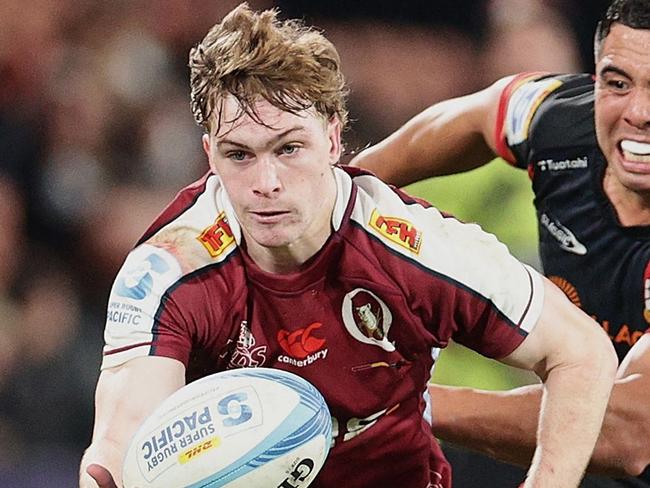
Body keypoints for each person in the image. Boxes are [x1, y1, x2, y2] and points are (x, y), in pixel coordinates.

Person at [78, 4, 618, 488]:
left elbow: (580, 352)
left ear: (334, 139)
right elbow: (122, 442)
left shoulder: (415, 248)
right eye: (238, 155)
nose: (265, 182)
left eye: (289, 148)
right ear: (209, 152)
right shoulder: (172, 268)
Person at [350, 0, 650, 485]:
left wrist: (393, 397)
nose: (638, 111)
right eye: (618, 83)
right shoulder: (557, 119)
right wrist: (332, 196)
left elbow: (632, 430)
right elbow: (477, 116)